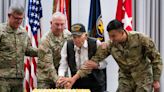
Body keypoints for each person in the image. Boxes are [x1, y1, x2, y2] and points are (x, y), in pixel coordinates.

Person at [64, 19, 163, 92]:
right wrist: (74, 78)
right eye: (109, 36)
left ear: (122, 32)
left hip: (143, 77)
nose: (111, 39)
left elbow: (156, 59)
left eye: (113, 36)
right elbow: (92, 62)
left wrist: (156, 80)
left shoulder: (141, 39)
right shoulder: (110, 45)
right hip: (125, 79)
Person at [57, 23, 106, 92]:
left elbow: (104, 63)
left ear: (85, 35)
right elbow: (63, 65)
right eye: (74, 37)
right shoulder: (68, 45)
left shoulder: (95, 43)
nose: (76, 40)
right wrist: (61, 77)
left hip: (95, 82)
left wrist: (97, 65)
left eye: (79, 36)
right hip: (76, 82)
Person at [0, 4, 38, 92]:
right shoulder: (1, 31)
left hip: (18, 78)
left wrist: (43, 51)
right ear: (9, 16)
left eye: (21, 18)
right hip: (2, 78)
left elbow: (28, 50)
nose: (18, 21)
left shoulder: (23, 32)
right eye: (16, 18)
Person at [37, 12, 72, 89]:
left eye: (62, 24)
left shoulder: (68, 35)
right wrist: (58, 80)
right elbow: (48, 65)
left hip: (62, 75)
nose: (59, 27)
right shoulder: (45, 40)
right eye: (57, 24)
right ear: (51, 23)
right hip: (46, 78)